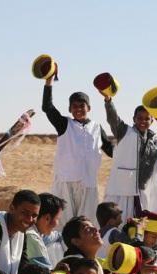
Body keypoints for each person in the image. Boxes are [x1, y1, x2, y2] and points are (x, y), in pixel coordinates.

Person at [42, 74, 113, 227]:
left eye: (82, 106)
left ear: (89, 108)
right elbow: (47, 107)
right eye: (74, 106)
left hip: (89, 183)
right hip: (66, 181)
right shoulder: (64, 124)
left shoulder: (97, 128)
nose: (78, 109)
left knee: (87, 223)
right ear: (70, 109)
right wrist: (49, 82)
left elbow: (111, 150)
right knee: (63, 223)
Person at [103, 95, 157, 219]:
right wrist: (108, 101)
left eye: (147, 118)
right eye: (139, 118)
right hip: (123, 191)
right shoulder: (124, 132)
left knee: (141, 225)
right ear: (134, 119)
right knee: (120, 222)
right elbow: (113, 119)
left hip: (143, 193)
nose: (143, 121)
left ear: (152, 120)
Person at [26, 193, 67, 269]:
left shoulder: (38, 232)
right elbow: (44, 273)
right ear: (47, 218)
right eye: (57, 219)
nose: (57, 223)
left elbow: (56, 235)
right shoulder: (31, 237)